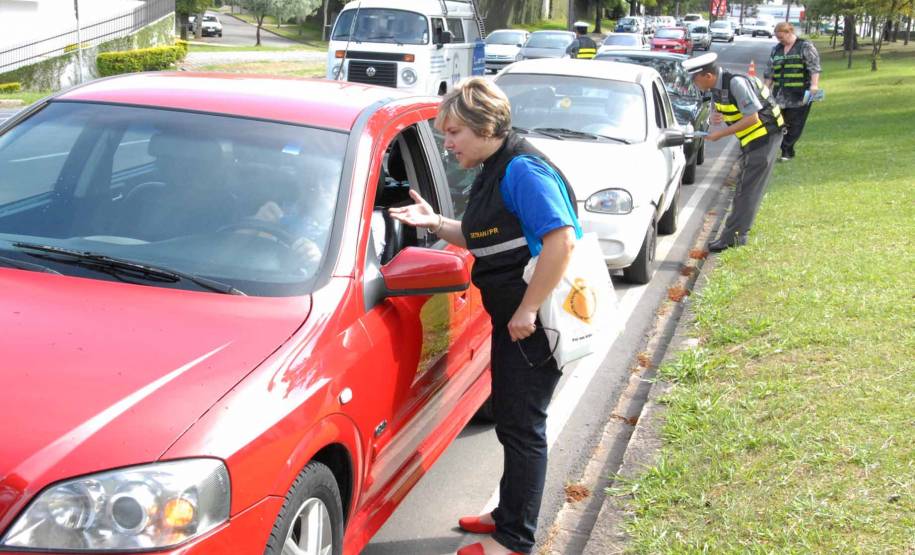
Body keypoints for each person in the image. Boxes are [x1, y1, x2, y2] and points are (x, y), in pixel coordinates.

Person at [389, 77, 578, 555]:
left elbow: (561, 241)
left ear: (486, 125)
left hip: (532, 326)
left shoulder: (521, 170)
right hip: (512, 320)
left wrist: (528, 309)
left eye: (454, 132)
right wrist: (435, 224)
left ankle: (515, 540)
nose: (447, 143)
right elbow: (488, 237)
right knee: (514, 424)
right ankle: (506, 515)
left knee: (523, 428)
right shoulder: (496, 166)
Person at [684, 52, 785, 252]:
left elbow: (753, 118)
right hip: (752, 139)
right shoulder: (716, 86)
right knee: (744, 187)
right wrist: (715, 115)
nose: (694, 84)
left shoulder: (736, 83)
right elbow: (724, 106)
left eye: (695, 80)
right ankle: (735, 235)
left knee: (746, 190)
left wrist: (721, 134)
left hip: (764, 137)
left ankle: (734, 238)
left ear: (707, 76)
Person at [765, 21, 821, 161]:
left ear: (789, 32)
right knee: (777, 121)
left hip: (800, 93)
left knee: (795, 122)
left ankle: (787, 152)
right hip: (780, 94)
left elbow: (814, 67)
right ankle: (776, 149)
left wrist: (814, 85)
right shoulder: (776, 50)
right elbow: (770, 72)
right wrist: (765, 89)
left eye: (781, 37)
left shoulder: (805, 46)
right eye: (777, 37)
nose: (779, 40)